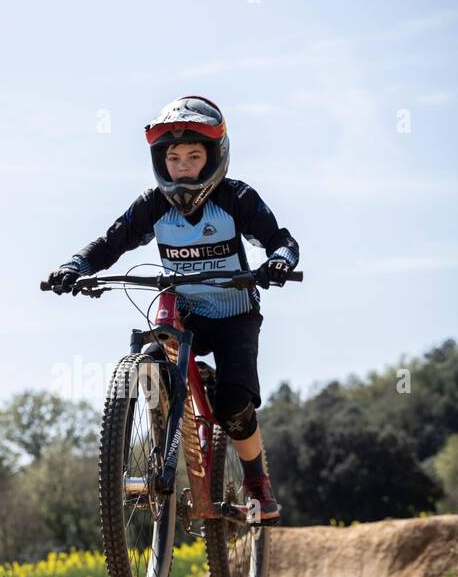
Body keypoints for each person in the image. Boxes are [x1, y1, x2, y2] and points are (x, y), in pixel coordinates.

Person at [44, 95, 299, 521]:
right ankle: (157, 433)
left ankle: (257, 483)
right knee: (154, 337)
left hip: (235, 315)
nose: (182, 166)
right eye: (173, 157)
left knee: (234, 406)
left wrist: (278, 262)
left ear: (215, 157)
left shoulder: (237, 199)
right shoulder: (153, 205)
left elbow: (281, 241)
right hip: (184, 311)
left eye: (194, 156)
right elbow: (110, 244)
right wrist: (75, 266)